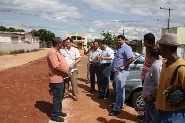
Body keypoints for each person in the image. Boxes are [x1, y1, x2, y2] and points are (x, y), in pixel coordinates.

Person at [153, 33, 185, 122]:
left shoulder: (182, 68)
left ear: (165, 47)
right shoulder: (164, 64)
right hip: (159, 113)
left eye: (160, 46)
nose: (159, 50)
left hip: (175, 115)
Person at [109, 35, 135, 116]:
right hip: (118, 71)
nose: (118, 41)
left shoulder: (127, 47)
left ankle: (116, 109)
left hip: (122, 72)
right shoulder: (120, 48)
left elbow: (132, 58)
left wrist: (124, 66)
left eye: (119, 40)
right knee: (121, 89)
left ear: (124, 40)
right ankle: (121, 104)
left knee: (119, 90)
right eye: (117, 40)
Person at [47, 37, 71, 122]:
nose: (63, 44)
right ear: (59, 44)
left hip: (61, 78)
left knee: (60, 96)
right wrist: (67, 72)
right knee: (57, 97)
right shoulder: (52, 52)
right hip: (56, 79)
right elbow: (56, 66)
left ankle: (59, 111)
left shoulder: (57, 51)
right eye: (62, 42)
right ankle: (54, 115)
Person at [142, 44, 162, 123]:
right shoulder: (154, 64)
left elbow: (160, 85)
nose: (145, 55)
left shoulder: (156, 66)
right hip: (149, 99)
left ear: (149, 54)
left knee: (151, 120)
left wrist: (151, 96)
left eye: (146, 53)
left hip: (151, 100)